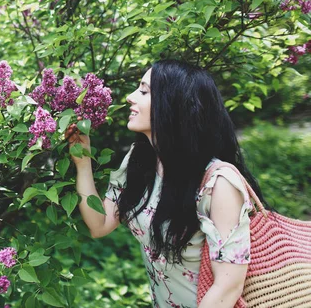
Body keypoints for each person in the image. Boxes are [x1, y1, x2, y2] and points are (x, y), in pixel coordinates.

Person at [66, 59, 268, 308]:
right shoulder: (139, 161)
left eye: (143, 91)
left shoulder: (218, 183)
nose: (130, 97)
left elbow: (228, 285)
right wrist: (82, 162)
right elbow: (100, 224)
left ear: (172, 104)